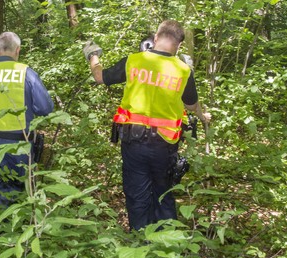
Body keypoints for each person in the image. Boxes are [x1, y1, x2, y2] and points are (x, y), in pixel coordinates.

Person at [84, 20, 209, 231]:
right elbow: (191, 104)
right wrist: (203, 116)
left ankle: (139, 241)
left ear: (156, 38)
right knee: (164, 193)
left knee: (137, 193)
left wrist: (92, 55)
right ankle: (165, 245)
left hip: (134, 141)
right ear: (179, 44)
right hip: (165, 144)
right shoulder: (183, 70)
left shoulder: (134, 60)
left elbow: (99, 77)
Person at [0, 32, 54, 207]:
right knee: (22, 194)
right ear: (18, 50)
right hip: (20, 146)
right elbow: (45, 108)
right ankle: (21, 229)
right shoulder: (26, 73)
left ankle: (0, 229)